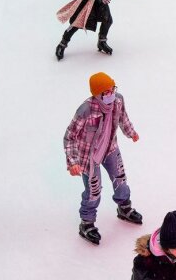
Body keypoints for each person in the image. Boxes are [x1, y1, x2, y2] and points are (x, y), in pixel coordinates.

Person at [63, 72, 142, 244]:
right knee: (94, 191)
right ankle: (87, 223)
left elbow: (123, 119)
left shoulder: (118, 100)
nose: (111, 94)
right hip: (89, 158)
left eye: (112, 89)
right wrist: (73, 162)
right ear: (97, 94)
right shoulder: (85, 110)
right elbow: (69, 136)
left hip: (110, 149)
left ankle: (124, 208)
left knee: (120, 178)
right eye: (106, 92)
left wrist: (131, 133)